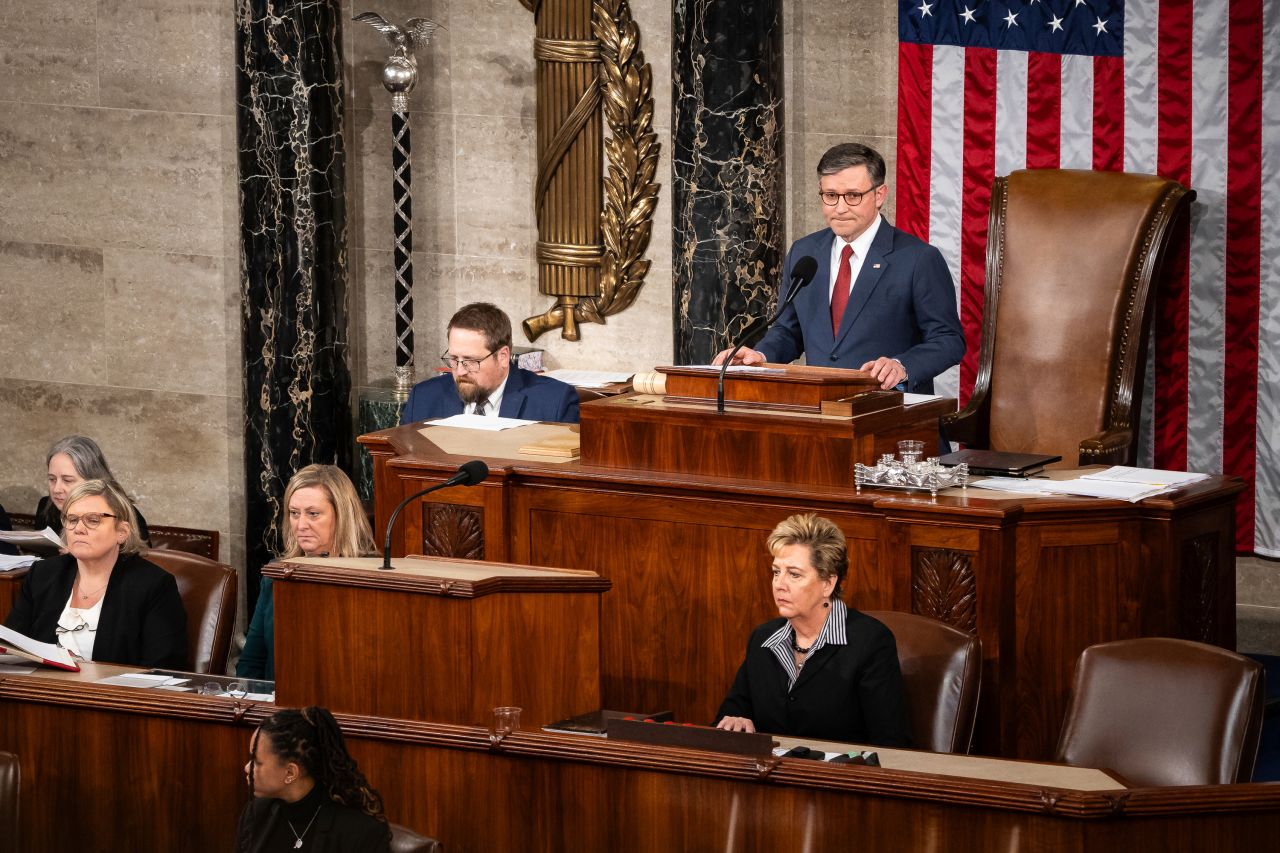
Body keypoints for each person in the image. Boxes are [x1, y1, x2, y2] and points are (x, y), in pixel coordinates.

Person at [714, 143, 964, 394]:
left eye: (853, 195)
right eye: (831, 195)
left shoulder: (918, 259)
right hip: (822, 412)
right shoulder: (805, 253)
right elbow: (789, 331)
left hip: (890, 413)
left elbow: (948, 340)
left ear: (879, 195)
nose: (840, 208)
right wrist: (761, 355)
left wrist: (902, 366)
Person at [715, 513, 911, 746]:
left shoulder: (870, 643)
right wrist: (735, 722)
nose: (779, 584)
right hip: (768, 777)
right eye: (776, 572)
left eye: (794, 574)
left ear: (828, 583)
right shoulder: (763, 639)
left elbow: (890, 742)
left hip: (838, 778)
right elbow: (732, 714)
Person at [4, 479, 186, 669]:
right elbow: (9, 649)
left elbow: (162, 670)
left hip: (112, 696)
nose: (79, 529)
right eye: (72, 519)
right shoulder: (42, 575)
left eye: (93, 520)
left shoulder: (154, 586)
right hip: (39, 694)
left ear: (122, 532)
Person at [237, 465, 375, 680]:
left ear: (342, 515)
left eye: (313, 514)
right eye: (294, 513)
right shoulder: (278, 574)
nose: (301, 525)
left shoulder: (372, 577)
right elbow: (252, 661)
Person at [236, 706, 391, 852]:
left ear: (290, 773)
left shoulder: (360, 832)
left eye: (256, 761)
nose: (247, 768)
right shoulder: (257, 813)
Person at [399, 302, 580, 424]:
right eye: (454, 359)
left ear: (502, 356)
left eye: (471, 361)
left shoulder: (554, 402)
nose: (460, 371)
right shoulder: (423, 399)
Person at [36, 435, 151, 544]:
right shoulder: (46, 507)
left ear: (93, 480)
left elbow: (138, 562)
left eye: (68, 480)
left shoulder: (126, 515)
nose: (56, 489)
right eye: (52, 479)